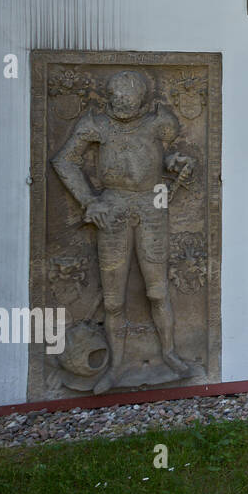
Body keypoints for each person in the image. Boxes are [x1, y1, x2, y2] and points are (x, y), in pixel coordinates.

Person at [51, 70, 196, 394]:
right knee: (114, 300)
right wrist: (88, 200)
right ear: (110, 97)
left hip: (151, 205)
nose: (122, 104)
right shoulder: (96, 123)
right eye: (117, 98)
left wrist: (176, 163)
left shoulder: (160, 121)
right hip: (113, 207)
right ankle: (116, 367)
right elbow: (65, 161)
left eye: (129, 100)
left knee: (157, 291)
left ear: (142, 100)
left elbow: (167, 155)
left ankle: (169, 353)